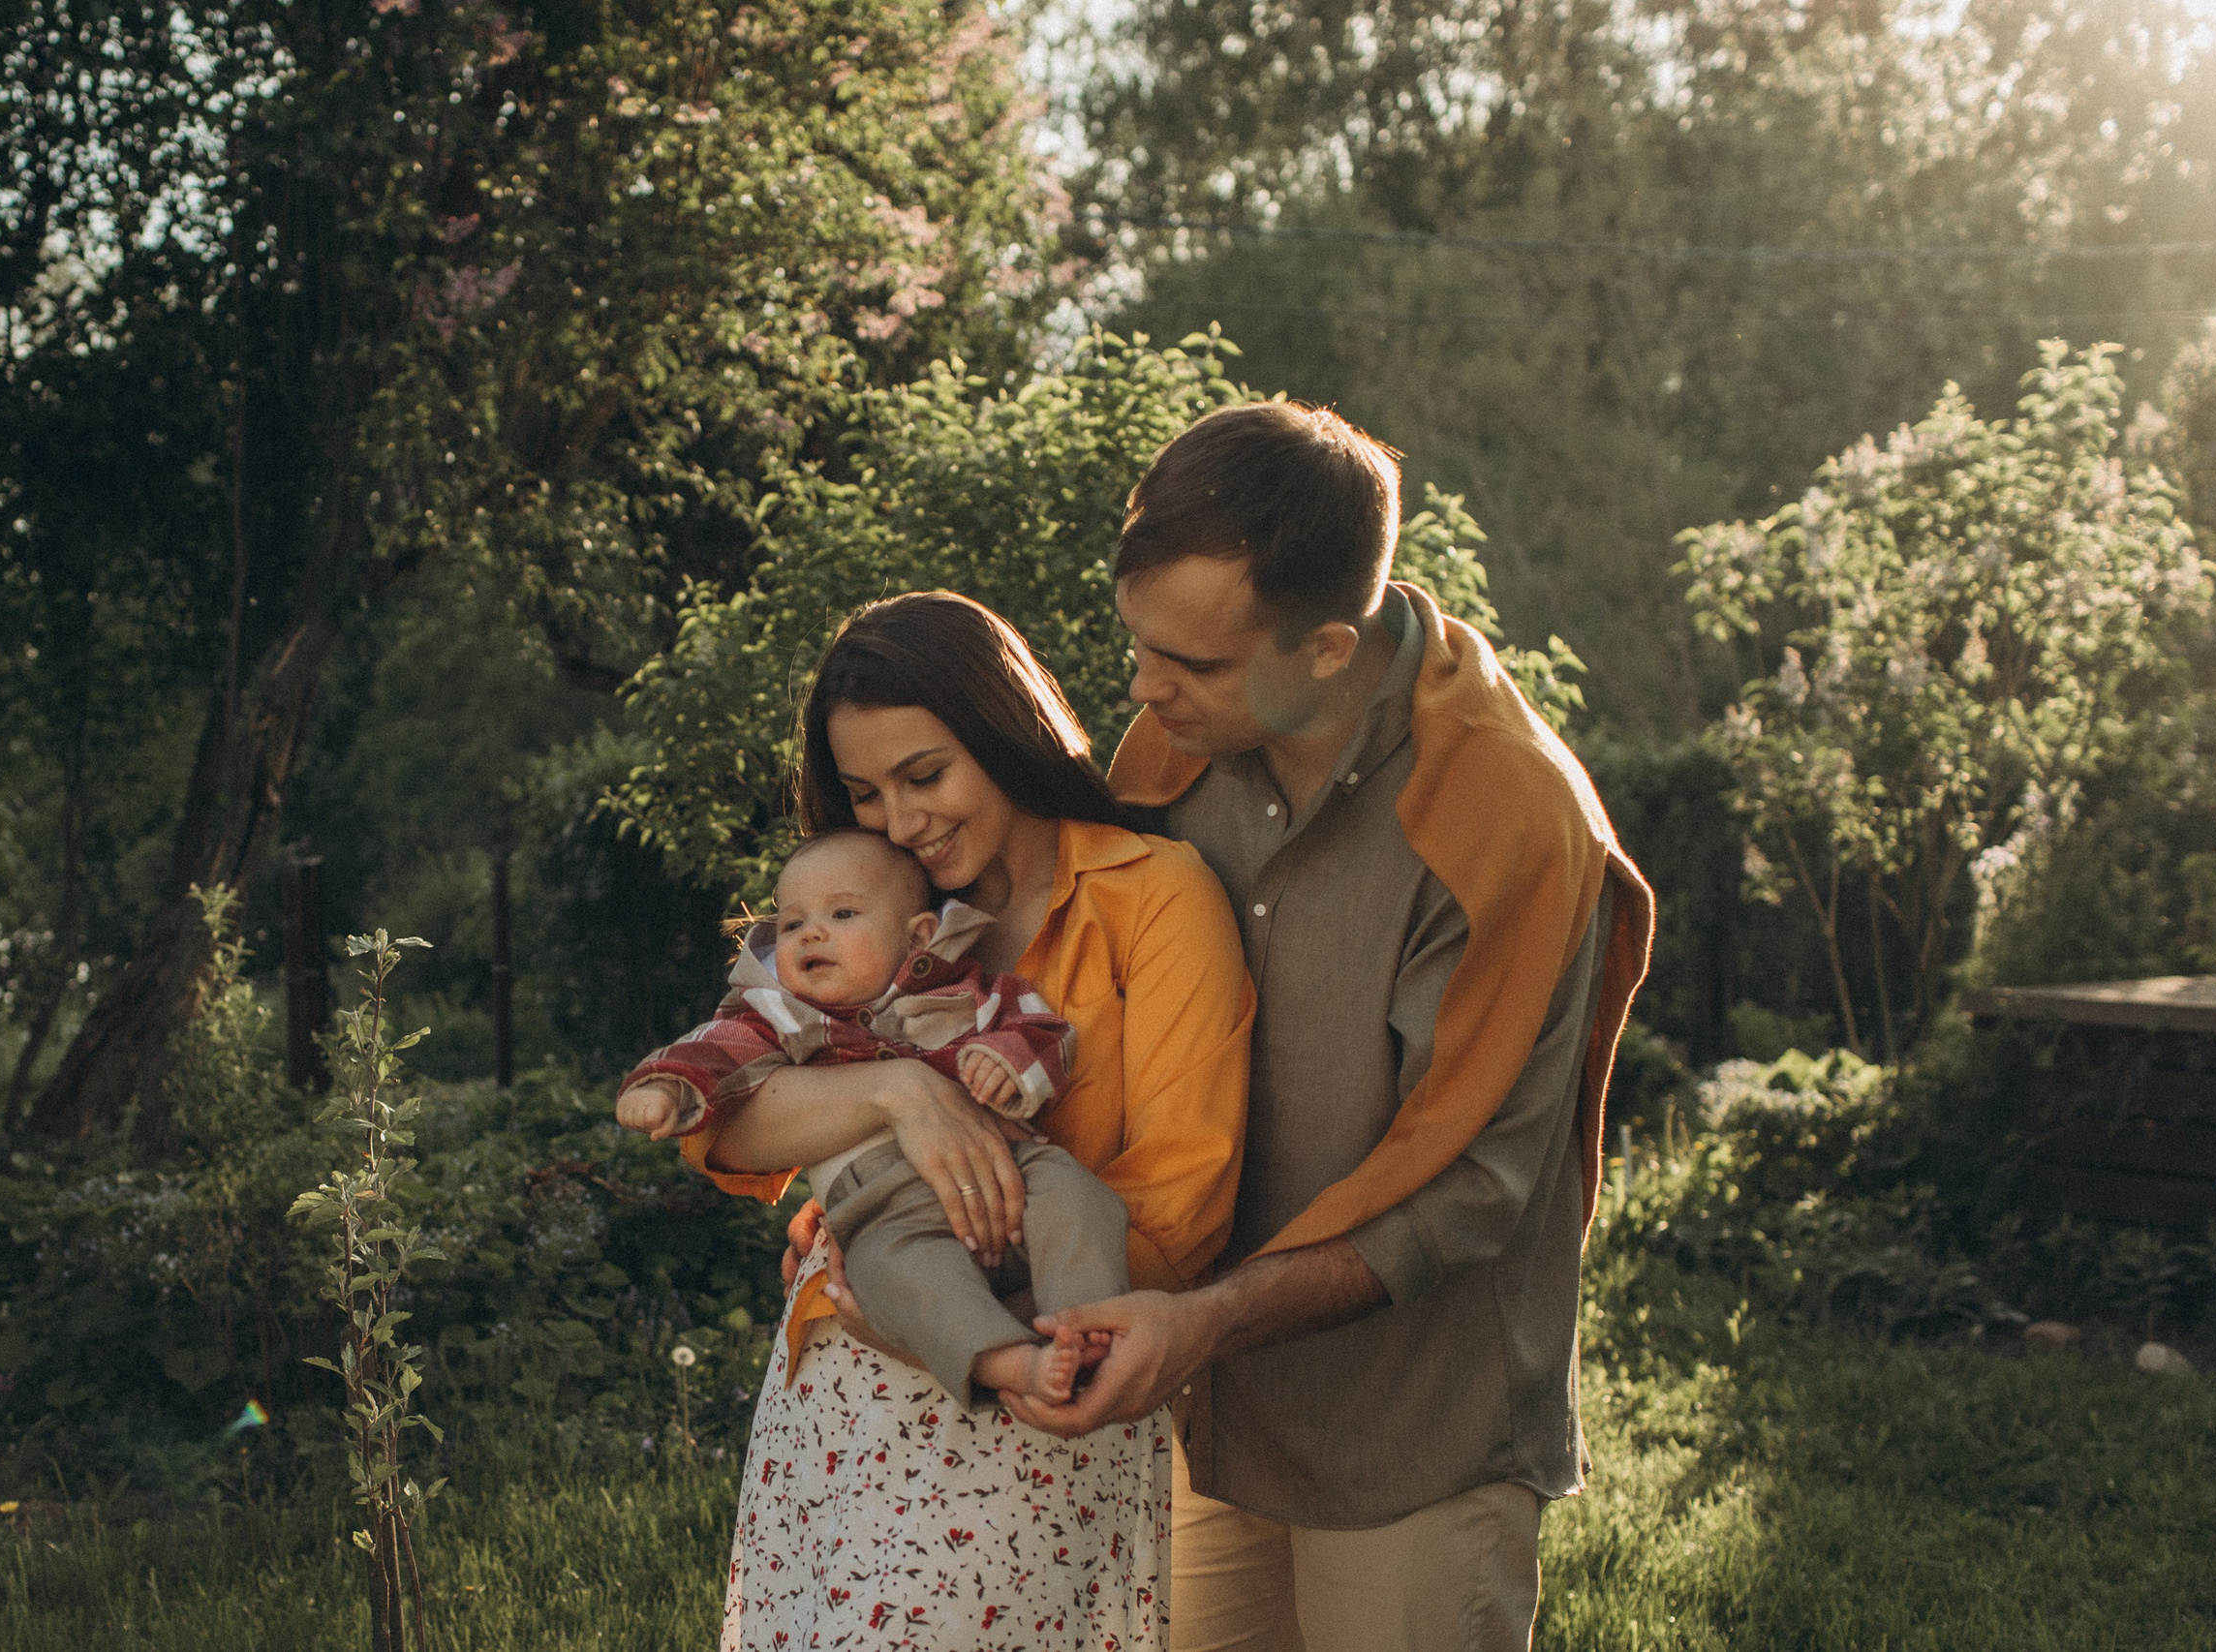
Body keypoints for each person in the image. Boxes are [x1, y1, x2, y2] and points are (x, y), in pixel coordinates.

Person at [1000, 402, 1655, 1652]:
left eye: (1187, 662)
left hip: (1412, 1426)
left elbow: (1476, 1186)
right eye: (1138, 646)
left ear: (1327, 646)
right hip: (1199, 1400)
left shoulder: (1506, 813)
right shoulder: (1173, 751)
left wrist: (1208, 1315)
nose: (1142, 689)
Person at [616, 591, 1251, 1651]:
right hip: (848, 1388)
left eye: (925, 774)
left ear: (1007, 730)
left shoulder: (1153, 896)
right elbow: (723, 1127)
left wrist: (951, 1321)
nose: (901, 820)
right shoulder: (851, 908)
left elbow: (1183, 1202)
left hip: (1050, 1374)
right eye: (865, 792)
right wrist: (900, 1094)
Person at [616, 827, 1125, 1408]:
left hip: (1008, 1174)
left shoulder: (966, 993)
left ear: (919, 938)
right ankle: (1010, 1363)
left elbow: (1045, 1033)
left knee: (1077, 1195)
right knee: (892, 1276)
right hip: (884, 1210)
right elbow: (719, 1050)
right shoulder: (781, 1014)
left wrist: (1007, 1064)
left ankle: (1082, 1324)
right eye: (791, 923)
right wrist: (664, 1085)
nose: (811, 931)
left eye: (842, 913)